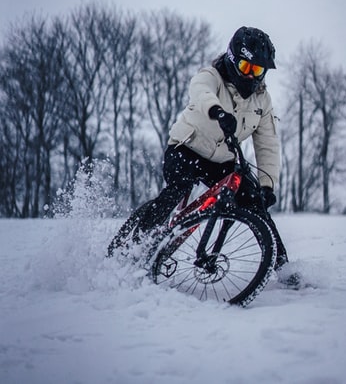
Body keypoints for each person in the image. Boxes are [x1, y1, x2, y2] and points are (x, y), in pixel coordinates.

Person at [108, 26, 289, 274]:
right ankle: (133, 248)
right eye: (247, 67)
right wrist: (218, 112)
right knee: (176, 191)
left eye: (257, 70)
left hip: (223, 160)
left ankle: (281, 266)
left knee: (255, 202)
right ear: (234, 60)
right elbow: (200, 91)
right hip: (186, 148)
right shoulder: (212, 76)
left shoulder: (262, 100)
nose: (251, 77)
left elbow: (267, 142)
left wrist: (268, 186)